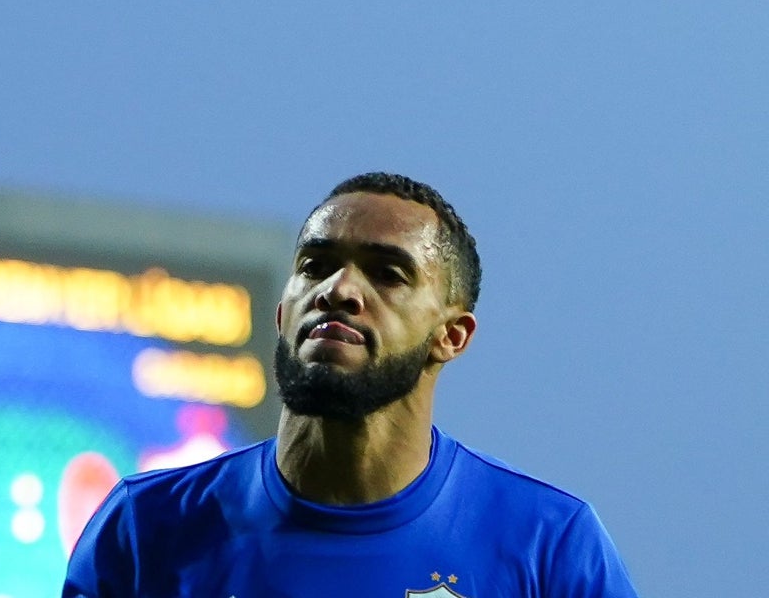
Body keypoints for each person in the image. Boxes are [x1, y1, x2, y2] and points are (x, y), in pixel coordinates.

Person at [63, 172, 639, 597]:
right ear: (283, 314)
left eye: (388, 273)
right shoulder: (144, 529)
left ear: (452, 336)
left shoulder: (550, 548)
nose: (338, 289)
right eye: (315, 265)